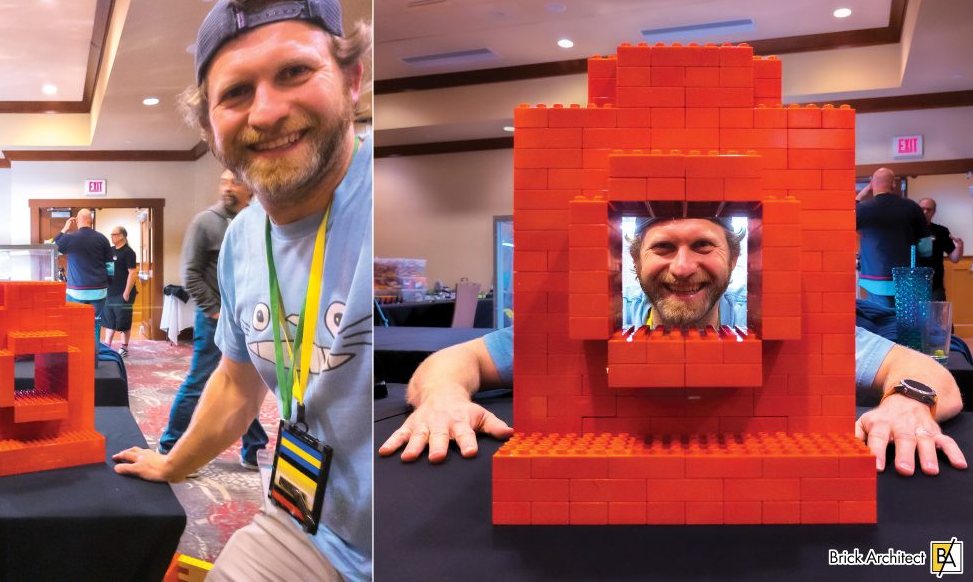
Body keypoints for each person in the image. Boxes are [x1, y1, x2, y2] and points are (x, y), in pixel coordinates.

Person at [112, 0, 372, 579]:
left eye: (294, 71)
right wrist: (172, 463)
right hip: (306, 524)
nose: (267, 111)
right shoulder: (243, 237)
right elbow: (235, 382)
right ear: (209, 127)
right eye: (235, 93)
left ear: (352, 80)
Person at [380, 216, 967, 478]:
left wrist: (907, 400)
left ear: (733, 261)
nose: (683, 267)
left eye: (703, 246)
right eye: (662, 248)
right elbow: (457, 360)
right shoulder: (586, 328)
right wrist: (443, 397)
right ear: (635, 264)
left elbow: (918, 369)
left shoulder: (785, 330)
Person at [158, 170, 269, 470]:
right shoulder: (205, 222)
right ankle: (169, 446)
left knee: (246, 381)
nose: (228, 187)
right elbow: (190, 273)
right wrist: (215, 310)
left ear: (251, 186)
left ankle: (253, 449)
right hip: (215, 319)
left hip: (251, 320)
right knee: (200, 381)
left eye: (235, 181)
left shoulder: (260, 220)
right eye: (224, 181)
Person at [855, 168, 929, 307]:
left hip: (874, 278)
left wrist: (862, 194)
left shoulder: (863, 209)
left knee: (883, 322)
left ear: (872, 184)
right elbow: (926, 248)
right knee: (908, 323)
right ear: (893, 184)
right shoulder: (911, 206)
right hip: (907, 279)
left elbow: (845, 219)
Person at [54, 208, 112, 333]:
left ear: (77, 221)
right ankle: (94, 352)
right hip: (99, 290)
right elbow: (110, 266)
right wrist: (108, 282)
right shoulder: (103, 239)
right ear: (91, 221)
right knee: (95, 324)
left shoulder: (70, 238)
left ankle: (78, 351)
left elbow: (53, 248)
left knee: (75, 324)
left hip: (76, 291)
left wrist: (65, 228)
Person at [916, 197, 964, 301]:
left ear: (934, 212)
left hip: (935, 286)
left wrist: (960, 246)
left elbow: (954, 258)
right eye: (922, 209)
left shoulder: (942, 231)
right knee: (914, 317)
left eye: (929, 209)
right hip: (913, 285)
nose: (925, 212)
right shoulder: (909, 229)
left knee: (937, 316)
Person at [102, 225, 138, 356]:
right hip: (110, 291)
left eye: (114, 234)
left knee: (123, 320)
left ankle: (124, 348)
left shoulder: (128, 252)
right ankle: (107, 345)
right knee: (109, 319)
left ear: (122, 235)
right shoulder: (110, 250)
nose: (111, 236)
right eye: (111, 234)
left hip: (123, 292)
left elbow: (132, 273)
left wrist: (127, 292)